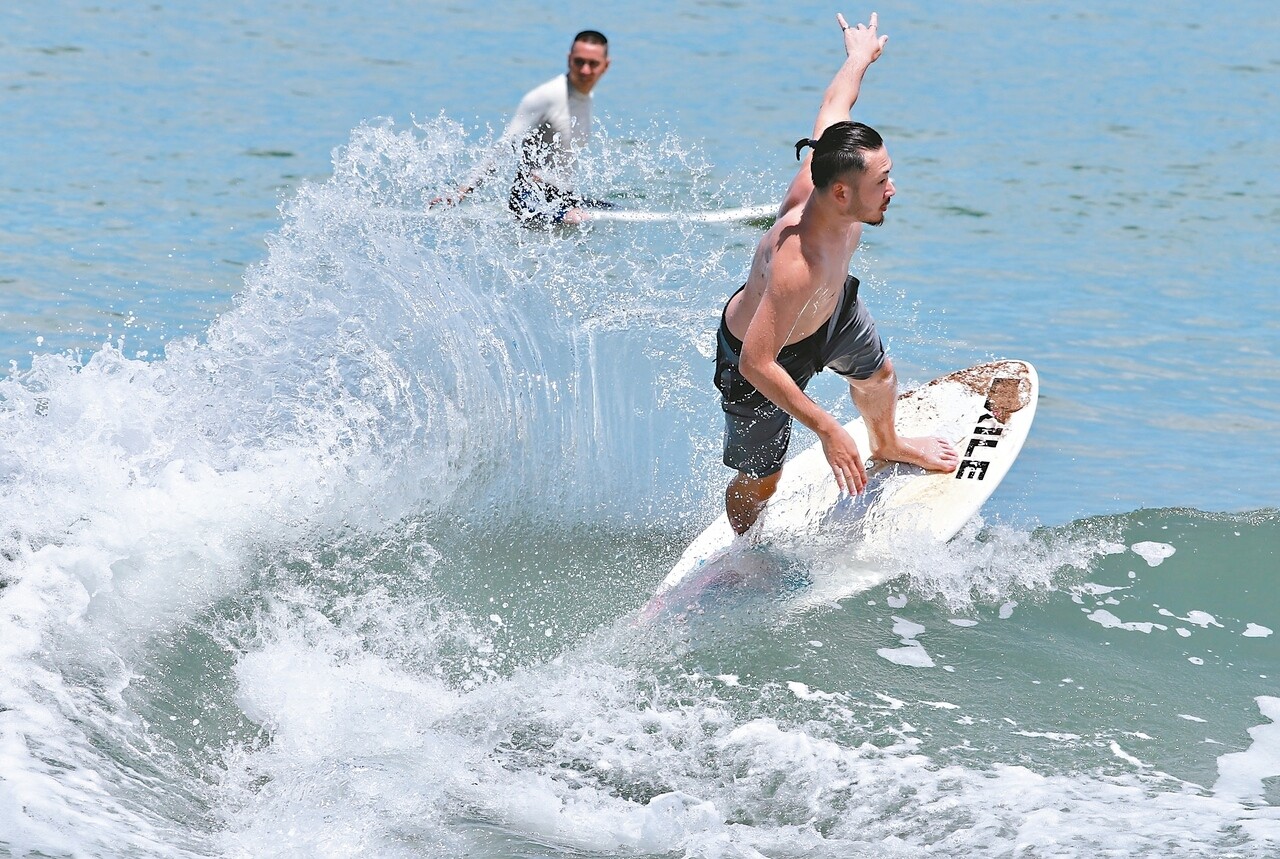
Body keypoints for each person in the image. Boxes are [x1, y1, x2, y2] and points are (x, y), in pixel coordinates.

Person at [714, 12, 959, 536]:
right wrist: (827, 429)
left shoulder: (829, 163)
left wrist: (858, 57)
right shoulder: (796, 262)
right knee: (761, 478)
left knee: (879, 377)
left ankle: (887, 442)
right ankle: (744, 549)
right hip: (760, 352)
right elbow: (759, 362)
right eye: (883, 180)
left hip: (832, 309)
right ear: (843, 193)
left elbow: (835, 105)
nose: (892, 190)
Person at [434, 30, 612, 226]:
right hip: (530, 197)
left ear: (605, 66)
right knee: (579, 219)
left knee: (616, 215)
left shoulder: (586, 98)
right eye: (579, 61)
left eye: (593, 63)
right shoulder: (546, 97)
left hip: (563, 196)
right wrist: (461, 192)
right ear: (569, 59)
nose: (585, 70)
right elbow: (503, 147)